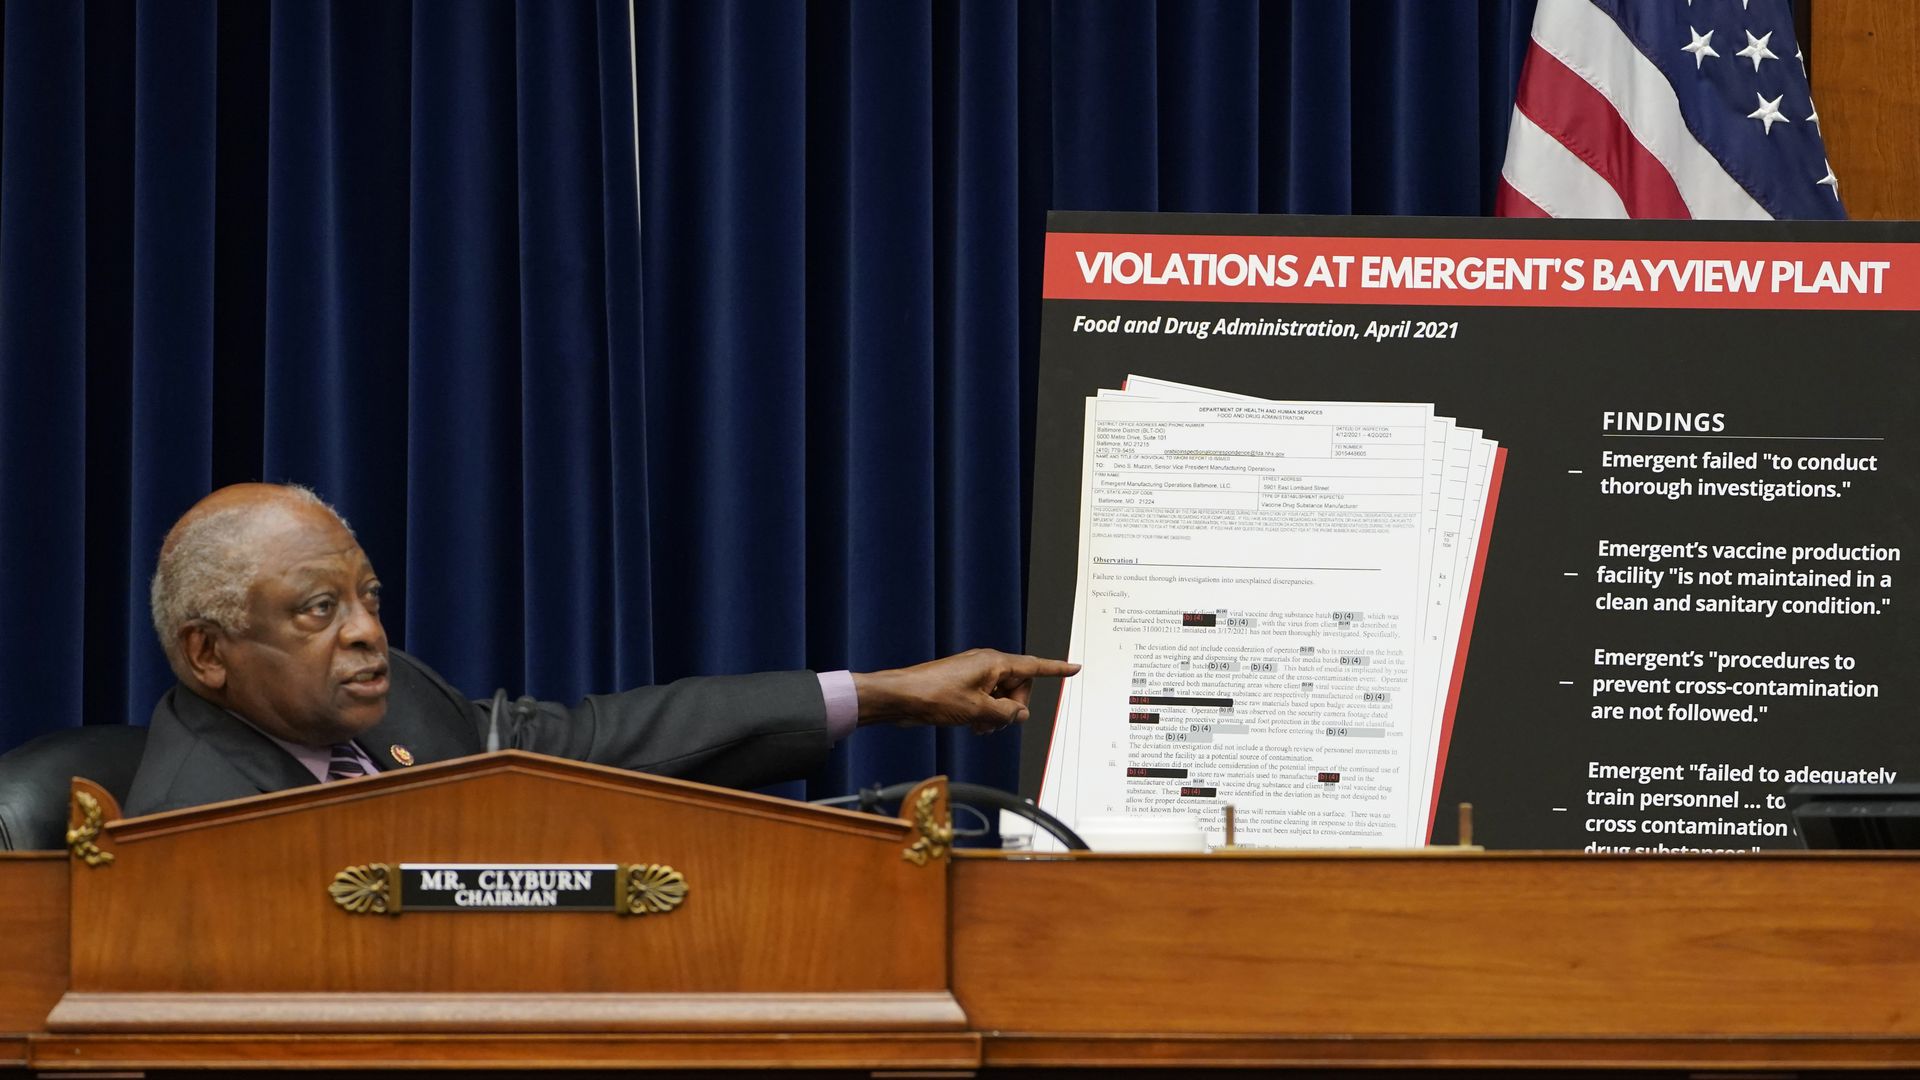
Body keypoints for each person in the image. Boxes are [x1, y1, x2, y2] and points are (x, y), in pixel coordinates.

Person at [125, 483, 1077, 816]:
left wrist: (886, 695)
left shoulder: (387, 696)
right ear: (208, 654)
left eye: (367, 597)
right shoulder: (197, 827)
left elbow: (593, 743)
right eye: (318, 609)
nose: (368, 631)